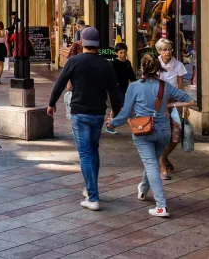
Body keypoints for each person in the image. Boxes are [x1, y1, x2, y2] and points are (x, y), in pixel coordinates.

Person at [108, 54, 195, 217]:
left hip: (143, 131)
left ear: (142, 68)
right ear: (158, 69)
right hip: (163, 131)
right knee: (152, 162)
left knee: (151, 164)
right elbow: (190, 100)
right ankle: (143, 188)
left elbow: (125, 112)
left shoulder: (134, 87)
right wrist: (170, 104)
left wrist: (112, 123)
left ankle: (161, 206)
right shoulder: (165, 86)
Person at [47, 27, 122, 211]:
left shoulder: (74, 61)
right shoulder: (106, 64)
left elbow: (59, 83)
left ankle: (93, 196)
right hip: (98, 112)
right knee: (93, 151)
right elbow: (114, 91)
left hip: (80, 113)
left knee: (86, 154)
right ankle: (90, 190)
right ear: (97, 44)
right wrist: (116, 115)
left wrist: (52, 103)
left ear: (81, 42)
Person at [155, 38, 188, 180]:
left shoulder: (178, 65)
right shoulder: (155, 64)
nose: (167, 52)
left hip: (175, 104)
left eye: (169, 49)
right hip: (160, 103)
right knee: (162, 134)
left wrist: (186, 105)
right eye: (164, 49)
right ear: (159, 51)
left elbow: (181, 87)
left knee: (176, 136)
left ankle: (163, 157)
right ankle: (163, 166)